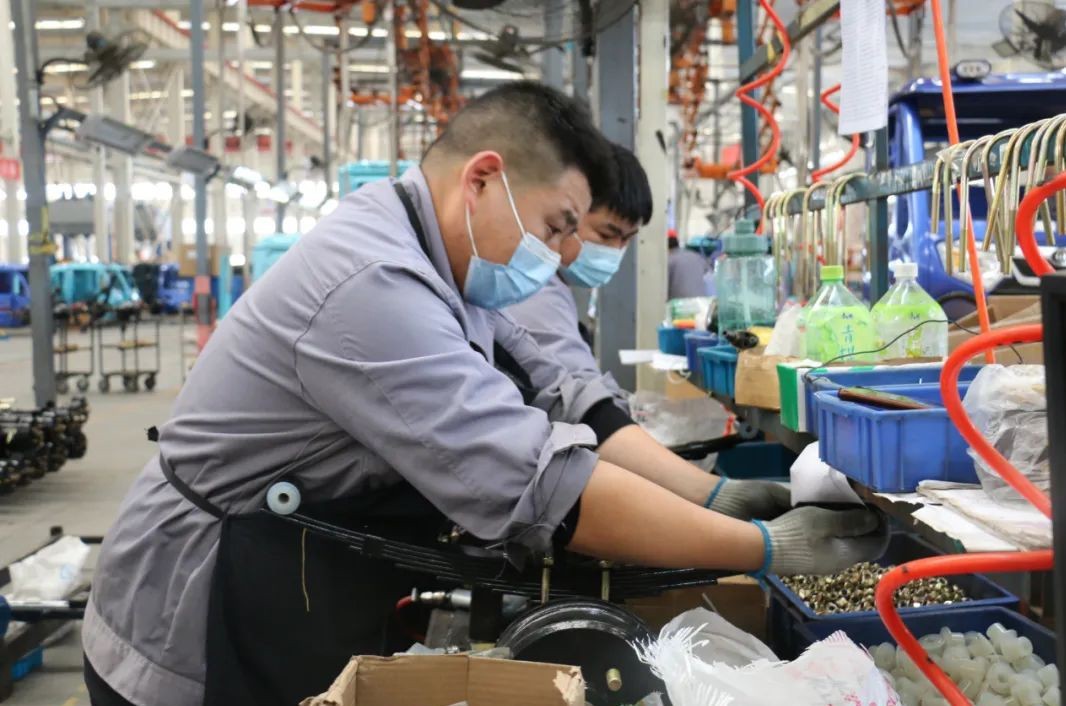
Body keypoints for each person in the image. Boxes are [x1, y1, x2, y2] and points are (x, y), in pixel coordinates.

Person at [83, 81, 886, 706]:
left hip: (295, 575)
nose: (563, 253)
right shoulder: (375, 284)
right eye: (559, 224)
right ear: (483, 179)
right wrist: (764, 548)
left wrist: (713, 495)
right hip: (202, 611)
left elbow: (559, 393)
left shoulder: (438, 257)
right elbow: (545, 485)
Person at [505, 142, 790, 526]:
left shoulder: (549, 286)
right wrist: (714, 497)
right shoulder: (531, 290)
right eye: (607, 233)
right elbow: (575, 401)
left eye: (626, 240)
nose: (615, 252)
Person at [668, 229, 711, 299]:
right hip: (701, 301)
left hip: (678, 302)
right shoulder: (696, 256)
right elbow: (709, 276)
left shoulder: (669, 260)